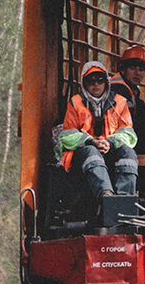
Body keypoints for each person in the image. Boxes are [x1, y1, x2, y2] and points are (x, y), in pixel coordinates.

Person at [54, 61, 138, 215]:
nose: (96, 84)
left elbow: (129, 134)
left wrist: (110, 143)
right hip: (84, 154)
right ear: (84, 83)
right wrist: (90, 141)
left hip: (111, 150)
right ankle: (106, 196)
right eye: (90, 80)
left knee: (128, 153)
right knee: (90, 152)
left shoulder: (119, 102)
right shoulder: (75, 103)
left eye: (100, 80)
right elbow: (67, 135)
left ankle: (125, 200)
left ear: (106, 82)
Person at [113, 45, 145, 150]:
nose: (137, 73)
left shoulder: (131, 89)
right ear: (123, 69)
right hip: (120, 139)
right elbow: (133, 122)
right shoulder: (119, 89)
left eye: (141, 69)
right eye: (132, 68)